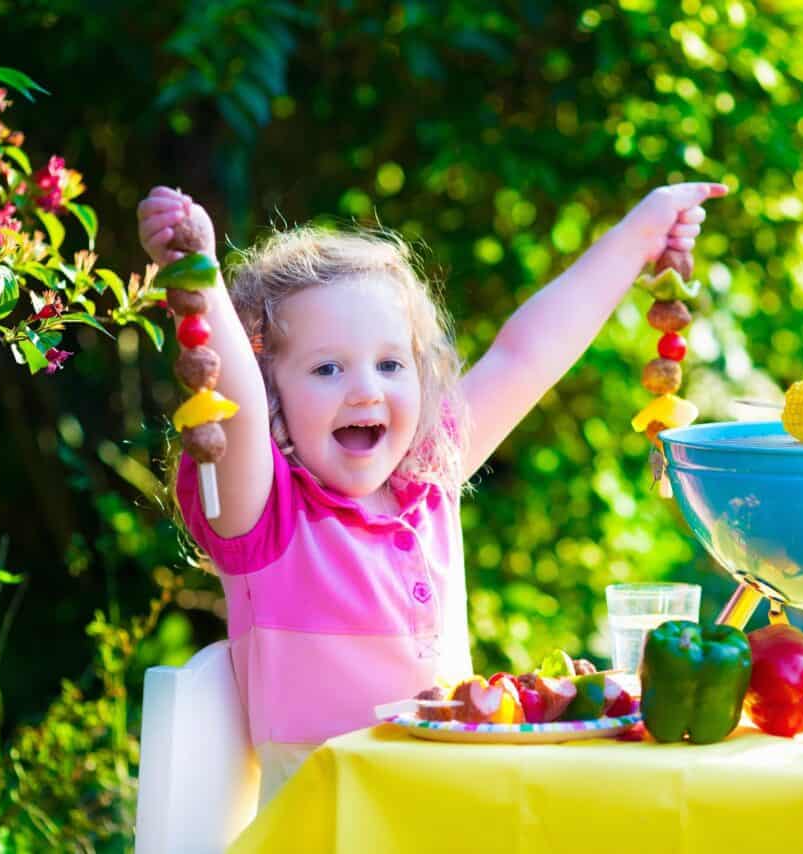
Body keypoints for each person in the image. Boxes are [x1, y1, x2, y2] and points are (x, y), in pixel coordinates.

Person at [137, 181, 726, 806]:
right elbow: (237, 407)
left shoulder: (426, 479)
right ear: (273, 396)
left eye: (391, 364)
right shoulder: (266, 516)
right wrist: (195, 277)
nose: (366, 391)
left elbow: (525, 355)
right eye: (327, 369)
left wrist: (639, 235)